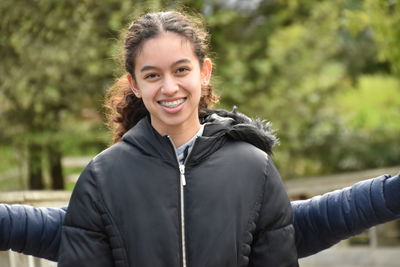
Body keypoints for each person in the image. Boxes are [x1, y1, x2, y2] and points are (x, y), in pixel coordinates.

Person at [55, 11, 299, 266]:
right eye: (152, 75)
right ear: (135, 84)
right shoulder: (101, 177)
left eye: (181, 70)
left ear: (204, 72)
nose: (169, 87)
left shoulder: (255, 169)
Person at [1, 172, 399, 262]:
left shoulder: (245, 169)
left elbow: (302, 224)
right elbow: (65, 233)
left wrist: (388, 193)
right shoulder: (111, 182)